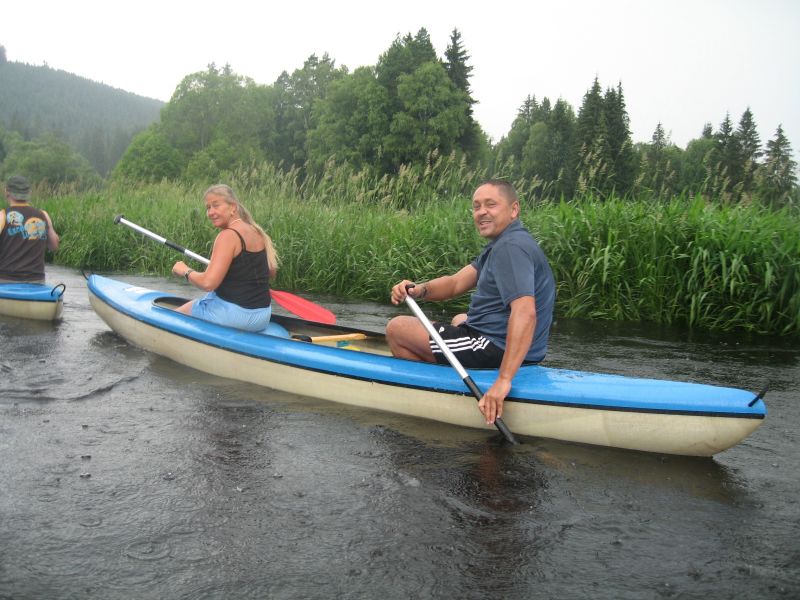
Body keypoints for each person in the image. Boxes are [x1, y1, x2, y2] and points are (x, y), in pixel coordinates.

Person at [387, 179, 555, 426]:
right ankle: (447, 369)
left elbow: (525, 313)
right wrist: (419, 290)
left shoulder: (510, 248)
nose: (481, 212)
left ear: (514, 209)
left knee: (398, 329)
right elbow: (456, 283)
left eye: (490, 205)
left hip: (496, 348)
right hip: (523, 350)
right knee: (460, 319)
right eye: (476, 206)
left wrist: (503, 380)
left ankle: (435, 396)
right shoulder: (505, 243)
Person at [171, 184, 278, 332]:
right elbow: (271, 272)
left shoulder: (228, 236)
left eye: (216, 206)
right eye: (208, 207)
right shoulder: (256, 231)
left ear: (233, 207)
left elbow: (208, 283)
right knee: (211, 296)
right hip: (262, 316)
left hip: (236, 317)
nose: (210, 212)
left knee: (175, 315)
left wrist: (185, 270)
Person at [0, 175, 60, 283]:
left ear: (7, 192)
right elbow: (54, 246)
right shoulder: (43, 215)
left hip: (6, 280)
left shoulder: (2, 216)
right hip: (37, 281)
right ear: (29, 193)